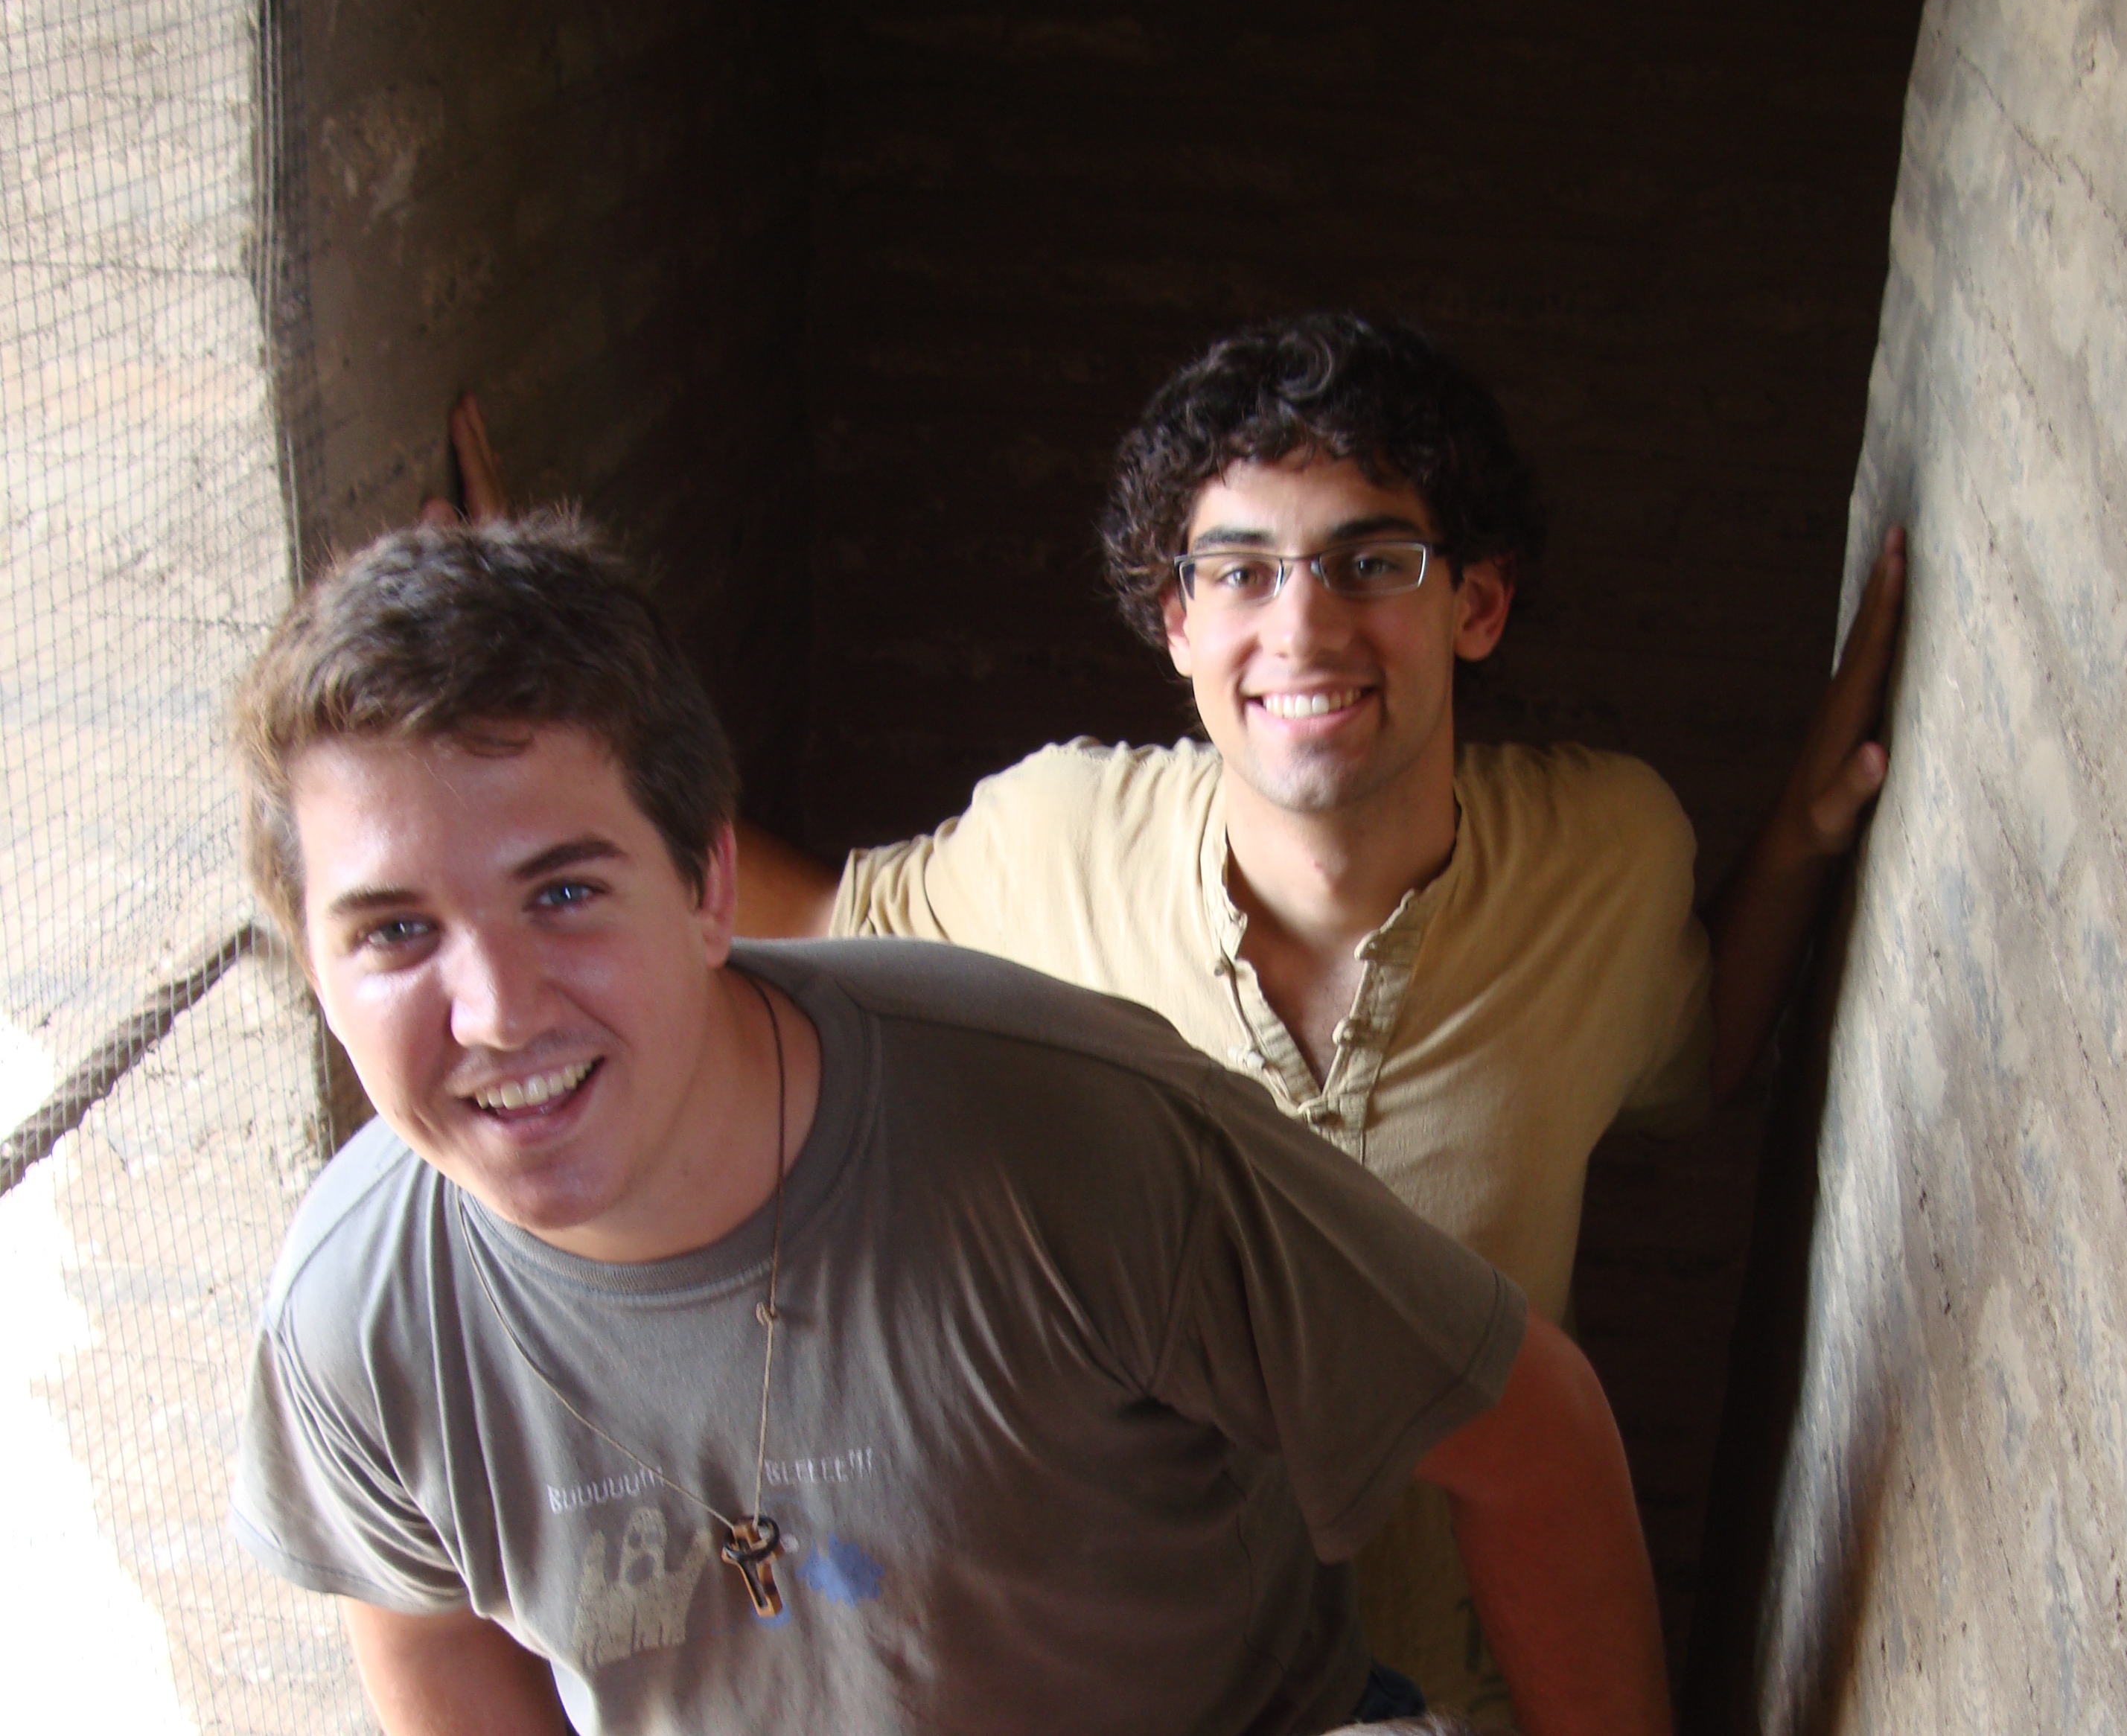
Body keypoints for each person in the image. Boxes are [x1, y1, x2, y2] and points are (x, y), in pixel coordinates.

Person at [425, 315, 1904, 1715]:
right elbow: (796, 920)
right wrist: (555, 702)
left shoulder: (1603, 864)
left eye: (1371, 561)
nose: (1303, 627)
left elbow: (1694, 1056)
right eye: (1240, 570)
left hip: (1458, 1698)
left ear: (1478, 603)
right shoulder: (1056, 844)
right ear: (1176, 619)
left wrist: (1796, 844)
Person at [226, 514, 1672, 1735]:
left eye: (564, 894)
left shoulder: (1064, 1134)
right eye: (394, 931)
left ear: (708, 887)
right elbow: (439, 1667)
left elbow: (1532, 1434)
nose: (493, 1012)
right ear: (313, 970)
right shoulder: (358, 1312)